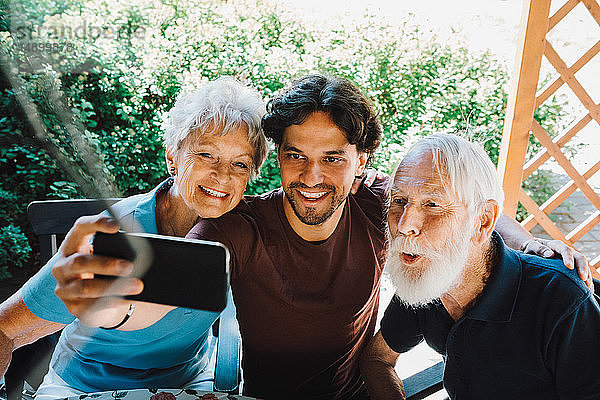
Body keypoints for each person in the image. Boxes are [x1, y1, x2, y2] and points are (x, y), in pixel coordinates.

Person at [26, 74, 590, 399]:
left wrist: (529, 240)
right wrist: (103, 268)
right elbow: (180, 268)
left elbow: (456, 207)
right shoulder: (239, 227)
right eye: (295, 156)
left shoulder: (381, 207)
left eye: (332, 159)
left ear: (362, 162)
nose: (313, 177)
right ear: (275, 160)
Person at [0, 76, 268, 398]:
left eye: (239, 164)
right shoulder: (118, 231)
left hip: (186, 382)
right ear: (173, 158)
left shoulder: (242, 234)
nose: (222, 176)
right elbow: (6, 328)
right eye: (207, 155)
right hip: (85, 386)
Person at [360, 133, 600, 400]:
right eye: (399, 201)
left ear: (483, 221)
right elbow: (377, 358)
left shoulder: (561, 300)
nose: (404, 225)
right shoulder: (427, 277)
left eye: (433, 205)